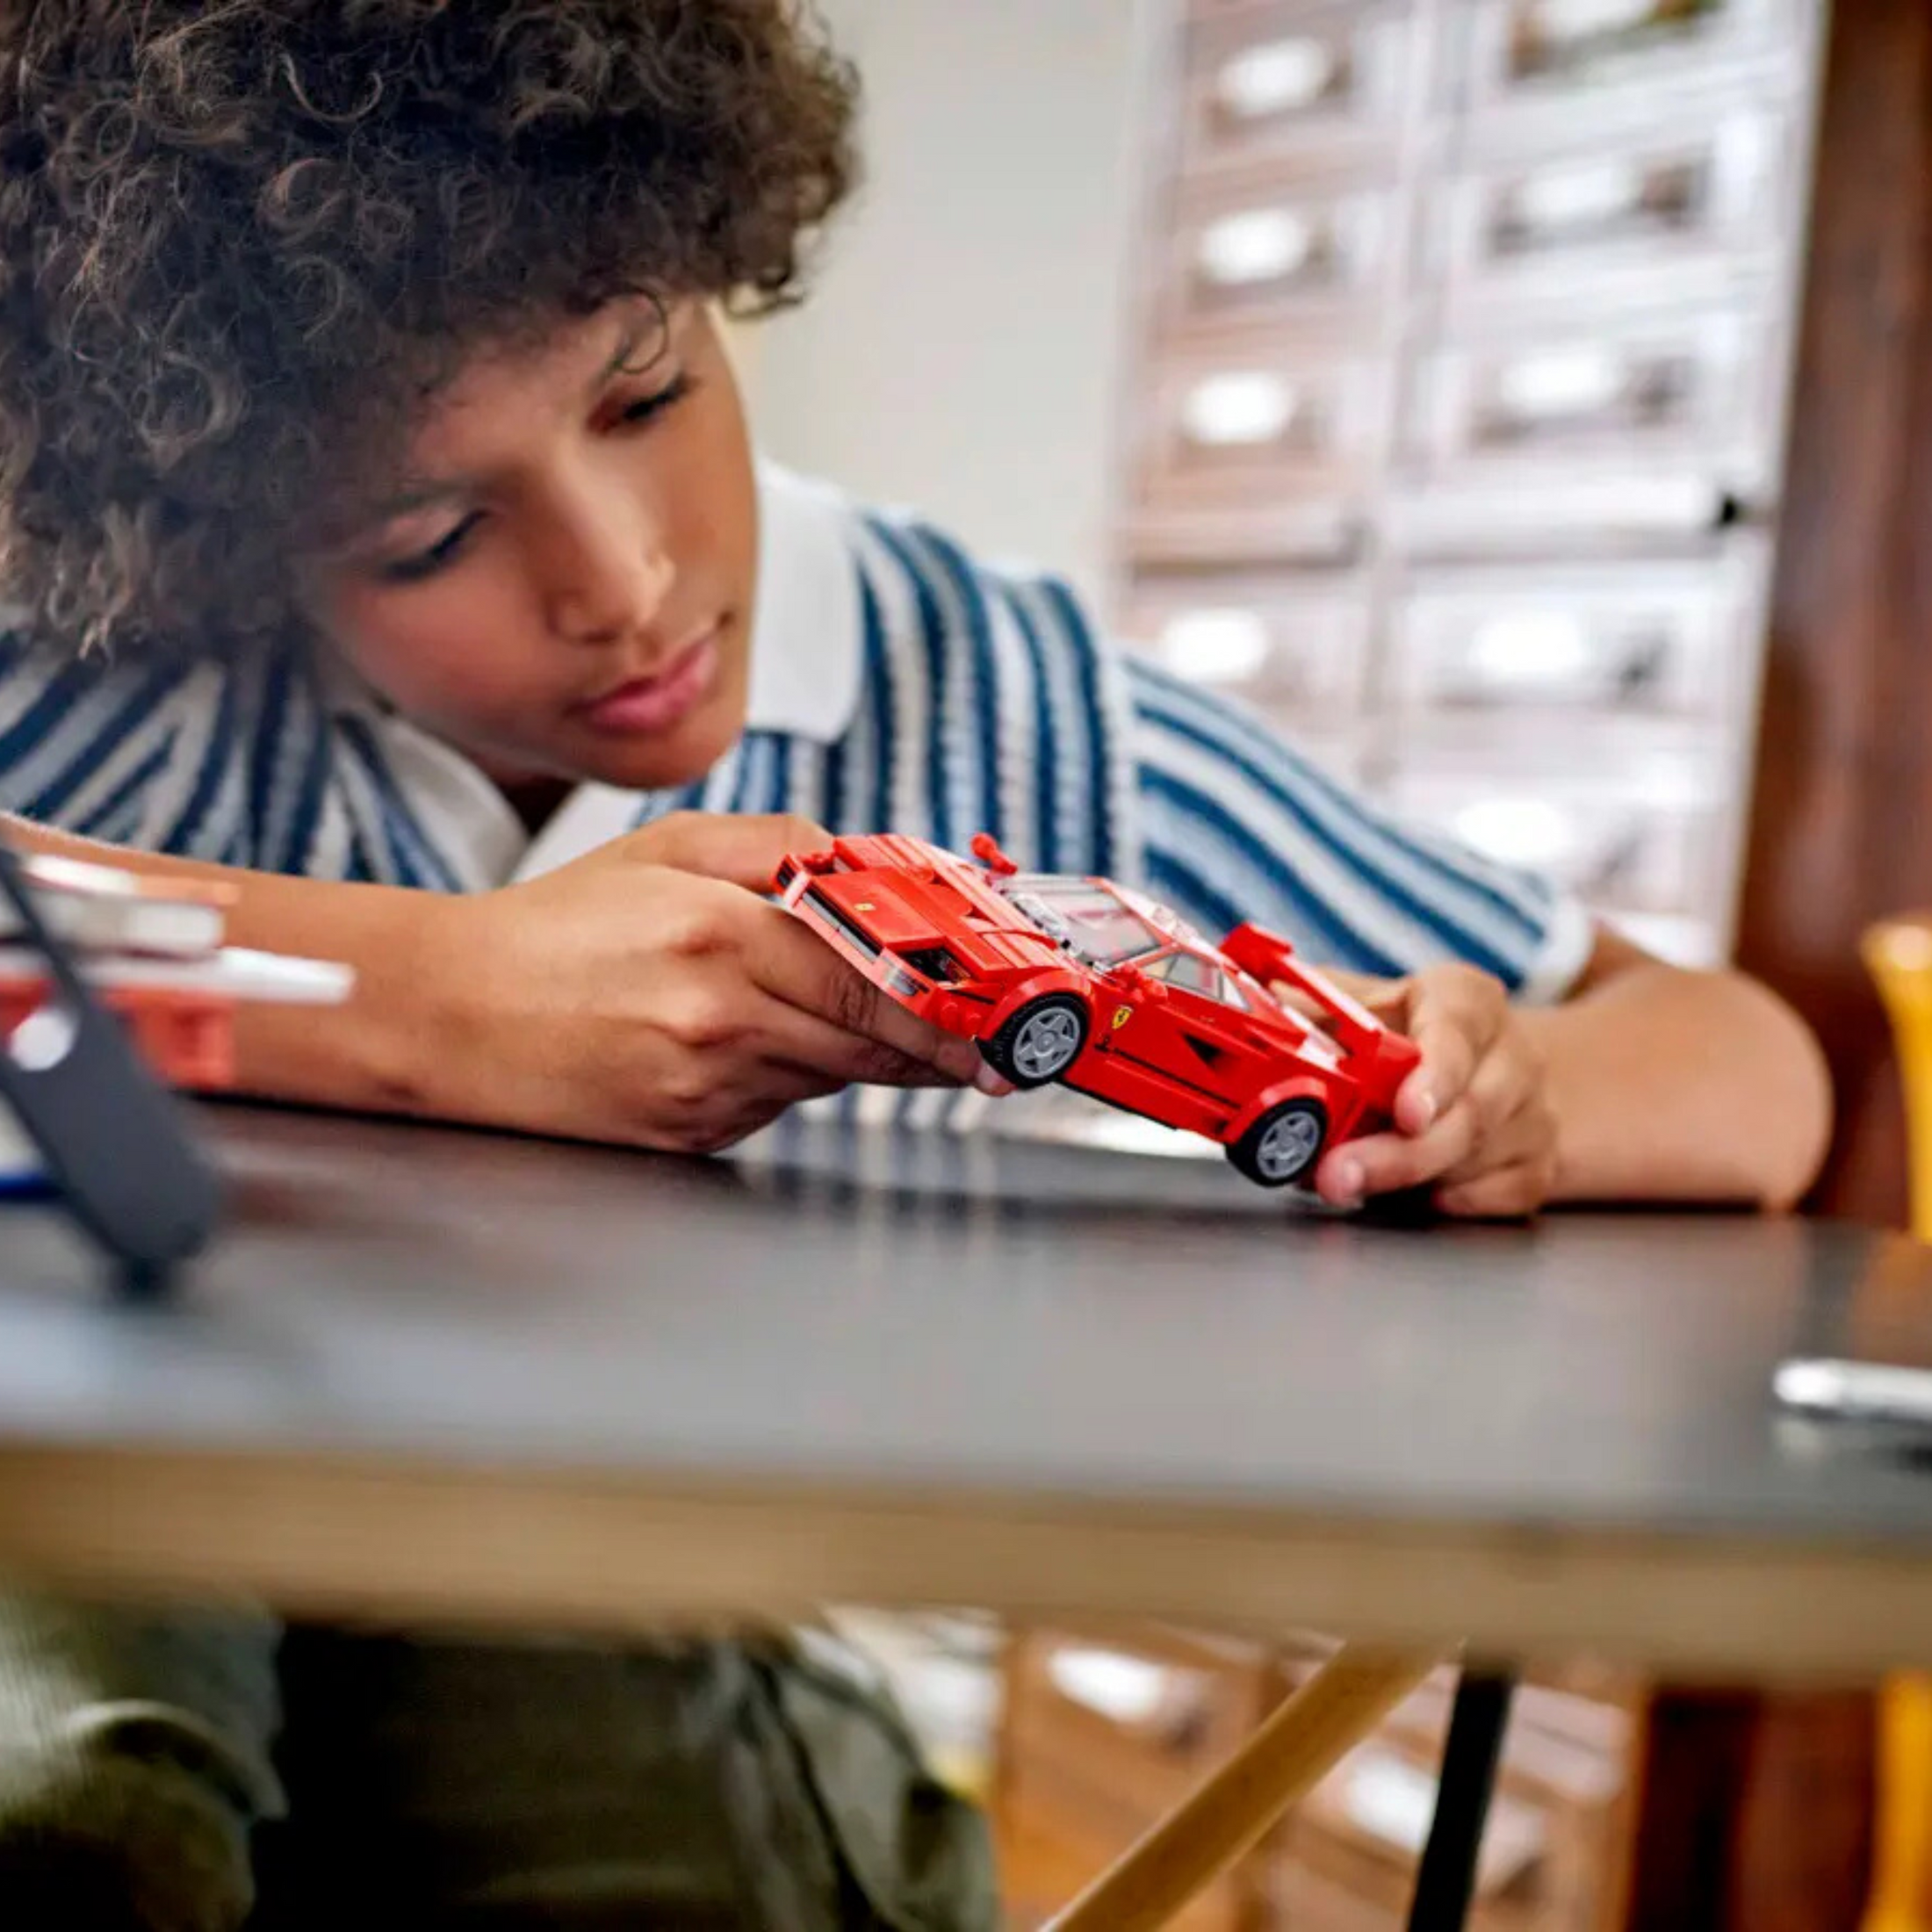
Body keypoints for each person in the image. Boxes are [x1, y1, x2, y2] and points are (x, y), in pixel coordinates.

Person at [0, 1, 1833, 1927]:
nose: (618, 580)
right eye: (430, 530)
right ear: (221, 536)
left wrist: (1507, 1095)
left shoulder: (990, 705)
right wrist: (438, 1003)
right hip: (103, 1487)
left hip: (581, 1584)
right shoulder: (107, 668)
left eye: (644, 397)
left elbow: (1736, 1061)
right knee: (78, 1804)